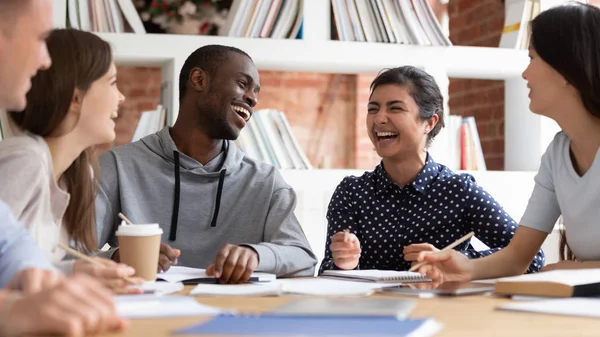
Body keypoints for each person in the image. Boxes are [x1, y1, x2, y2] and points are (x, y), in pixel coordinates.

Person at [96, 44, 317, 284]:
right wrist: (118, 257)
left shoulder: (265, 181)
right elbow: (69, 252)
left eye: (256, 92)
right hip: (146, 313)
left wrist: (256, 254)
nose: (253, 99)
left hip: (236, 316)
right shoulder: (117, 167)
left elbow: (303, 258)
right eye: (243, 84)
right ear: (199, 79)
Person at [415, 3, 600, 284]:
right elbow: (516, 257)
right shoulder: (557, 154)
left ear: (566, 67)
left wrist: (578, 270)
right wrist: (466, 267)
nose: (525, 74)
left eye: (533, 58)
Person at [318, 66, 544, 275]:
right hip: (371, 314)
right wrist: (344, 263)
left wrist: (459, 260)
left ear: (429, 122)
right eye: (372, 109)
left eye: (395, 108)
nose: (379, 118)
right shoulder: (351, 192)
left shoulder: (459, 191)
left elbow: (531, 258)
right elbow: (326, 271)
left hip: (443, 312)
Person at [0, 0, 127, 335]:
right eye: (112, 83)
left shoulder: (77, 174)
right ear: (75, 97)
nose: (122, 98)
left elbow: (21, 261)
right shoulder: (25, 160)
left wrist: (91, 267)